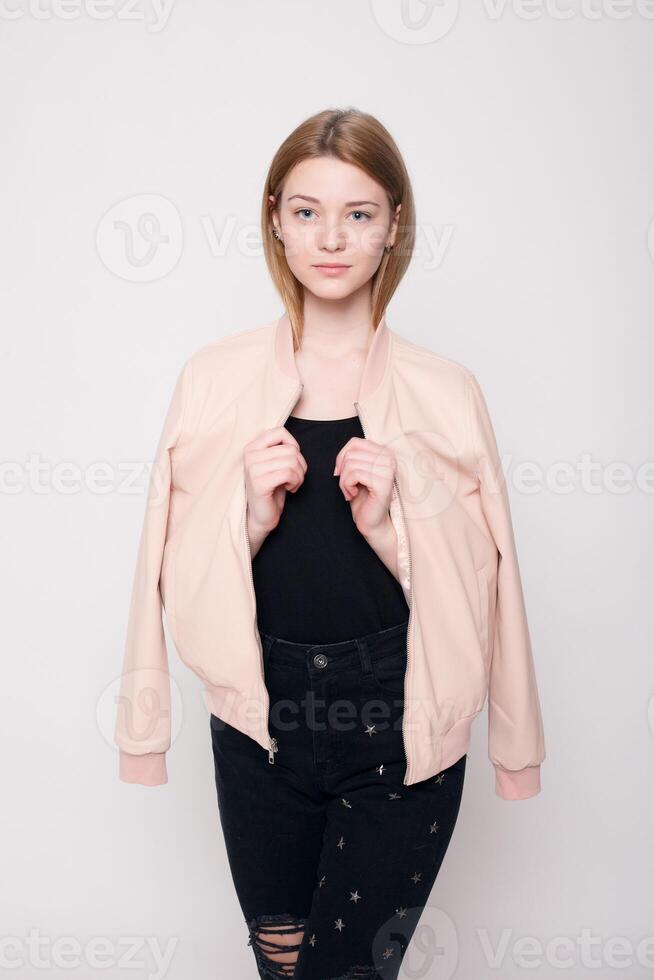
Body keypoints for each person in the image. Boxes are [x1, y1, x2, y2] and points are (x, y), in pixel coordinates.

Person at [114, 107, 546, 980]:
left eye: (359, 213)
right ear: (275, 218)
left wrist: (394, 525)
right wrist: (248, 517)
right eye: (307, 211)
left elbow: (491, 592)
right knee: (281, 966)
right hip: (256, 720)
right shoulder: (214, 376)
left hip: (401, 717)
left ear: (395, 227)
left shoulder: (445, 391)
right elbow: (161, 571)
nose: (332, 238)